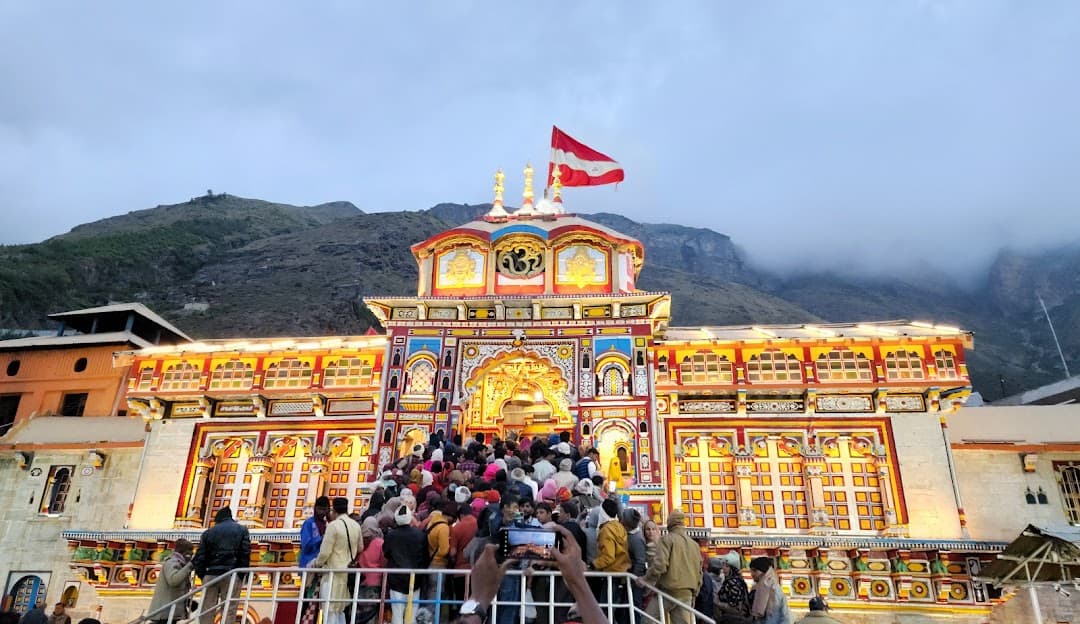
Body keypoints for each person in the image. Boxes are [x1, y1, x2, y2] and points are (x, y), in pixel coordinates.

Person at [639, 510, 702, 624]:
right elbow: (699, 572)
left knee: (647, 620)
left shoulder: (667, 540)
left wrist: (645, 579)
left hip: (669, 591)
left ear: (670, 523)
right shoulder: (694, 545)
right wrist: (694, 593)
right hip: (687, 593)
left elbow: (660, 565)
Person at [192, 507, 251, 624]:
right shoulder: (241, 530)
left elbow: (200, 557)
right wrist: (241, 574)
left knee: (207, 608)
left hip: (211, 574)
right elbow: (245, 554)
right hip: (231, 574)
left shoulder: (208, 532)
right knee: (229, 607)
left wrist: (203, 575)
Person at [313, 498, 363, 624]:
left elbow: (324, 553)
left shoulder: (333, 526)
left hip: (332, 573)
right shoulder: (355, 525)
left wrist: (316, 564)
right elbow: (360, 547)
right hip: (346, 574)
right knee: (340, 611)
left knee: (329, 611)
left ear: (333, 511)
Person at [383, 505, 428, 624]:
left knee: (397, 613)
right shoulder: (420, 535)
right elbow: (425, 556)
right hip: (415, 578)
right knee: (412, 612)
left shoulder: (391, 535)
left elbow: (386, 553)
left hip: (396, 578)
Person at [593, 499, 631, 624]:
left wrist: (593, 565)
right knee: (614, 611)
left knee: (606, 611)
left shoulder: (606, 530)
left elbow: (608, 557)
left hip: (611, 574)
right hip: (621, 573)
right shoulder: (620, 527)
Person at [147, 539, 195, 624]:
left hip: (170, 611)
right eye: (190, 552)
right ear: (184, 552)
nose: (191, 555)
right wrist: (190, 566)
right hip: (164, 612)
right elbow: (173, 580)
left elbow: (179, 590)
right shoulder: (172, 562)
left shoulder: (181, 563)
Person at [748, 557, 791, 624]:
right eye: (751, 571)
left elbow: (784, 615)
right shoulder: (757, 589)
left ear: (763, 571)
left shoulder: (774, 589)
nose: (752, 574)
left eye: (755, 570)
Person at [714, 552, 751, 622]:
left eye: (727, 566)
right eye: (723, 565)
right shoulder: (738, 581)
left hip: (732, 620)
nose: (723, 568)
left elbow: (735, 607)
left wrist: (717, 603)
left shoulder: (732, 583)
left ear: (733, 568)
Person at [300, 497, 330, 569]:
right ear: (315, 509)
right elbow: (305, 545)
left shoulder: (328, 524)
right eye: (320, 509)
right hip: (308, 562)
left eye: (324, 509)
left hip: (322, 564)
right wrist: (321, 539)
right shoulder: (309, 523)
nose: (322, 512)